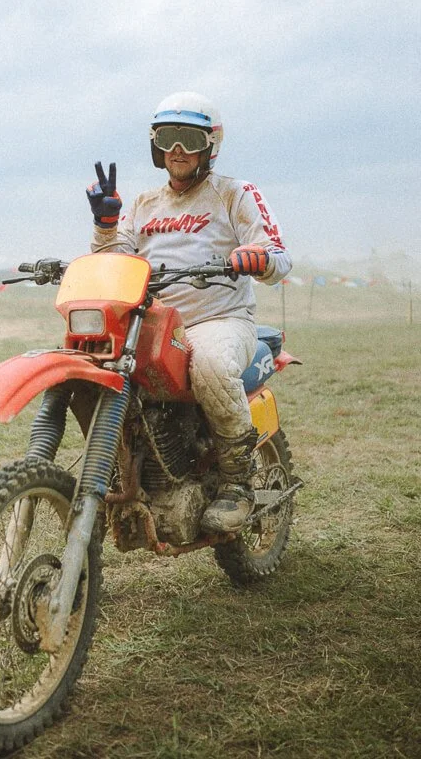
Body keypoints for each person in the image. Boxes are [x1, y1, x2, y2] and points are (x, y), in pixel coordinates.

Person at [87, 92, 292, 532]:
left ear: (210, 144)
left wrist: (257, 257)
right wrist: (105, 226)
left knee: (212, 365)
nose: (177, 149)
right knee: (93, 364)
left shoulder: (235, 194)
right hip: (153, 323)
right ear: (155, 144)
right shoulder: (143, 204)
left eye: (187, 138)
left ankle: (237, 483)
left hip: (219, 320)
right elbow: (115, 259)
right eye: (167, 137)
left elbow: (277, 255)